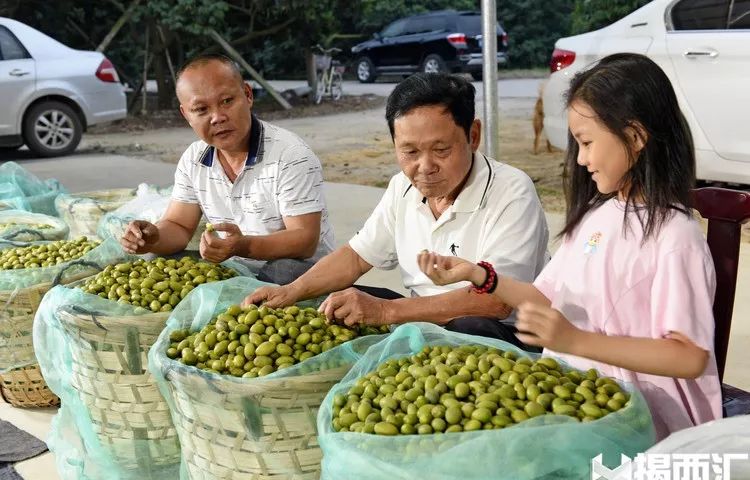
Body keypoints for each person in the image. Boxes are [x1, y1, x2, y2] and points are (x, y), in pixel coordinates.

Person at [417, 53, 721, 439]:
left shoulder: (675, 237)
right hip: (581, 412)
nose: (581, 159)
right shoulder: (596, 219)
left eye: (587, 142)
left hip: (649, 428)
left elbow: (689, 356)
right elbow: (546, 300)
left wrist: (575, 341)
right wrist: (478, 274)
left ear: (635, 136)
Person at [245, 72, 549, 348]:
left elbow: (496, 302)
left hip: (503, 333)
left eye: (441, 150)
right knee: (291, 275)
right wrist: (291, 292)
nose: (425, 167)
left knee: (468, 328)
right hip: (423, 318)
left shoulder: (511, 191)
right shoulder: (402, 188)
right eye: (410, 152)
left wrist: (385, 311)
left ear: (473, 136)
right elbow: (355, 257)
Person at [119, 54, 335, 285]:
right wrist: (152, 237)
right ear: (186, 115)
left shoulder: (290, 155)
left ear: (248, 95)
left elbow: (304, 240)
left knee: (283, 271)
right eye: (201, 110)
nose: (217, 118)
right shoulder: (194, 159)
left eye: (227, 101)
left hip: (302, 269)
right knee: (159, 261)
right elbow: (179, 226)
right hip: (236, 264)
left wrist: (243, 246)